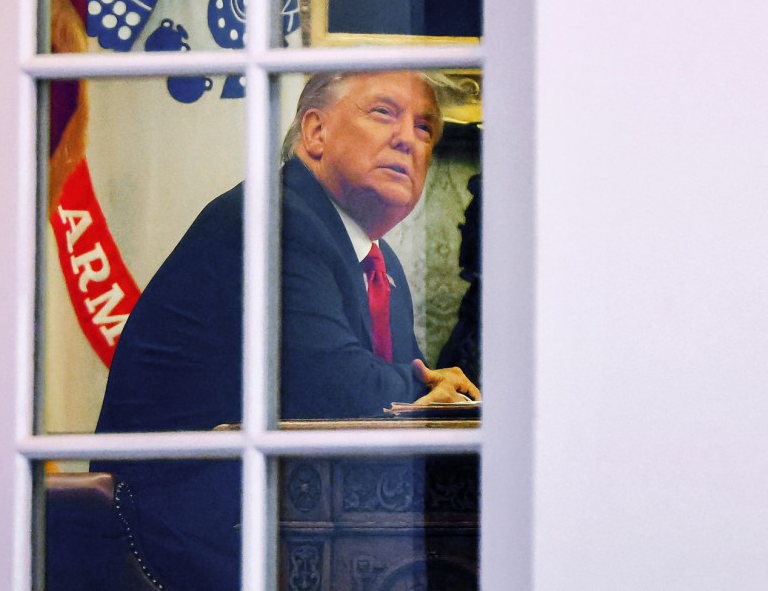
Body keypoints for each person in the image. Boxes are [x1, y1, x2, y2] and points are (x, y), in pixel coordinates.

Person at [92, 71, 480, 590]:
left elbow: (392, 402)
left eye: (426, 128)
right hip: (181, 537)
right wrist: (436, 396)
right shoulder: (272, 221)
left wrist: (430, 395)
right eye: (383, 113)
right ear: (315, 133)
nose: (408, 138)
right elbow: (337, 388)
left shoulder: (378, 261)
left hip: (291, 521)